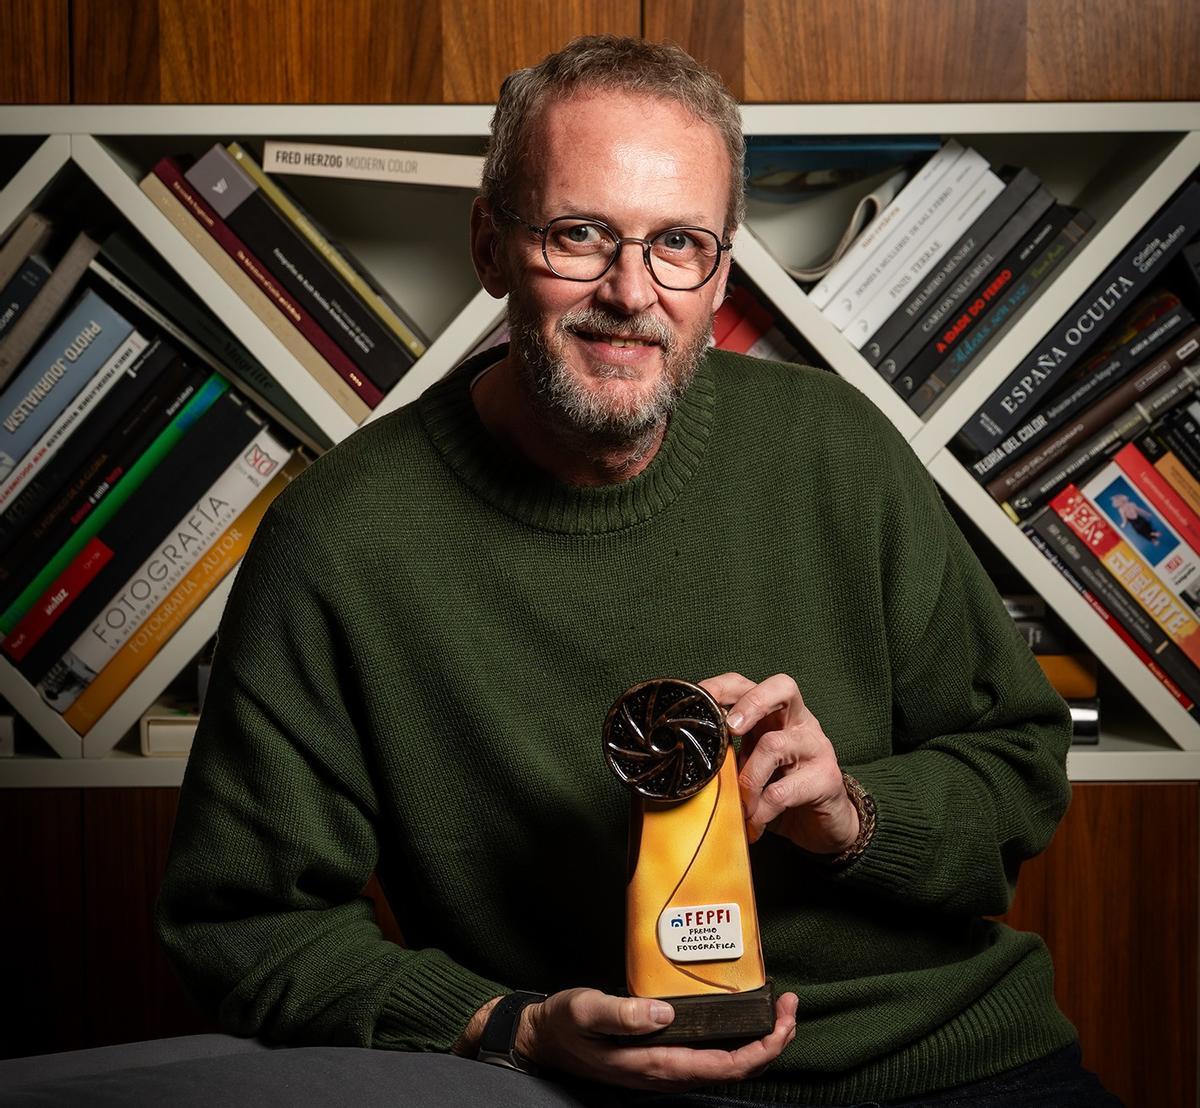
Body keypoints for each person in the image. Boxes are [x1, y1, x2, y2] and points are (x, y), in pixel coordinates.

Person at [157, 35, 1121, 1107]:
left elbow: (1020, 765)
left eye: (679, 245)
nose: (632, 290)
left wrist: (852, 810)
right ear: (488, 245)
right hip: (590, 1089)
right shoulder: (339, 540)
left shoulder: (836, 449)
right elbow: (247, 927)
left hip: (946, 1062)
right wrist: (510, 1026)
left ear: (722, 267)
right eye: (579, 235)